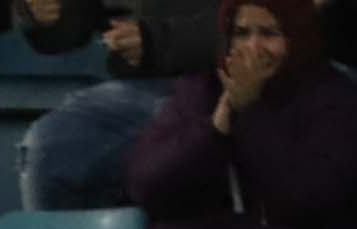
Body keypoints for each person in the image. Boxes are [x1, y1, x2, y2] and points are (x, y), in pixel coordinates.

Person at [126, 0, 357, 229]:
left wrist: (250, 111)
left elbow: (303, 198)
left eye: (269, 34)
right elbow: (146, 185)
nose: (252, 48)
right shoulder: (200, 89)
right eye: (241, 33)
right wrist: (218, 125)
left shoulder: (336, 102)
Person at [14, 0, 220, 212]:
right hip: (140, 82)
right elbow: (76, 27)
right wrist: (43, 16)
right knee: (48, 149)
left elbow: (240, 19)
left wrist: (160, 40)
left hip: (218, 82)